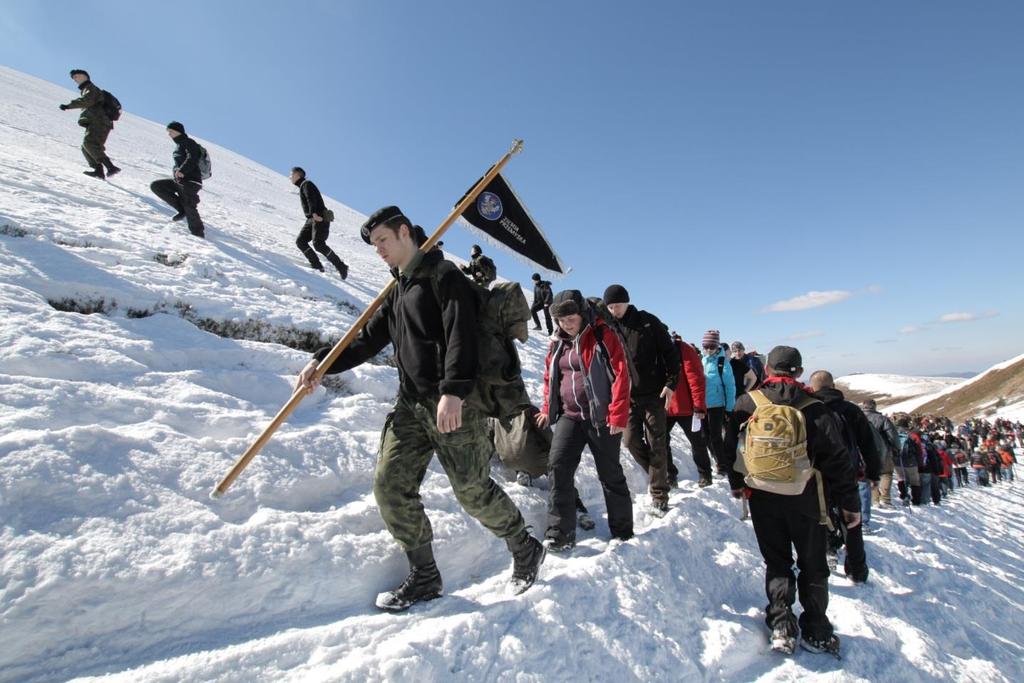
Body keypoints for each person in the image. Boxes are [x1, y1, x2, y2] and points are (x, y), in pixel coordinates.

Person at [296, 205, 544, 610]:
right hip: (411, 407)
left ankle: (524, 547)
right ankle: (426, 576)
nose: (379, 250)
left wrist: (454, 390)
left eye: (383, 241)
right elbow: (366, 342)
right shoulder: (397, 291)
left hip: (453, 404)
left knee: (472, 491)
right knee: (389, 485)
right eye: (374, 244)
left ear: (405, 232)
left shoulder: (444, 279)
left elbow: (461, 334)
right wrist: (323, 361)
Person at [724, 346, 860, 657]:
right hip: (806, 496)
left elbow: (729, 447)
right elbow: (837, 461)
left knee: (777, 561)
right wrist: (849, 504)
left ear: (767, 370)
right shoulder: (814, 406)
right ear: (798, 372)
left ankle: (781, 624)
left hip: (761, 494)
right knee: (813, 564)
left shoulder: (749, 403)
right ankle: (816, 630)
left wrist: (737, 484)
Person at [536, 290, 634, 550]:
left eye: (570, 318)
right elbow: (551, 377)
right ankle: (559, 533)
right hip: (570, 416)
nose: (566, 324)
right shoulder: (557, 342)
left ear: (581, 313)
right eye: (560, 320)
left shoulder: (602, 335)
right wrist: (548, 409)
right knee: (558, 468)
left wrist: (618, 414)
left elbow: (622, 376)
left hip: (600, 417)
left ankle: (623, 531)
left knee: (610, 474)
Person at [603, 285, 679, 514]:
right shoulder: (609, 327)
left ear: (626, 302)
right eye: (610, 306)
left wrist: (671, 383)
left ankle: (659, 494)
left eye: (616, 305)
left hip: (654, 394)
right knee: (630, 441)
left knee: (657, 443)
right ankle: (661, 476)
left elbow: (670, 352)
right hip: (627, 398)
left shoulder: (647, 321)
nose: (613, 310)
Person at [809, 371, 880, 582]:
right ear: (832, 385)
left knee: (821, 514)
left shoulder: (809, 409)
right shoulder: (851, 410)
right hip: (847, 471)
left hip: (817, 472)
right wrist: (873, 472)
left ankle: (827, 551)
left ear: (813, 388)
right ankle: (857, 569)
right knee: (852, 520)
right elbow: (868, 444)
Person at [665, 332, 711, 487]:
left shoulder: (683, 349)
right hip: (664, 407)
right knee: (661, 443)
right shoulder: (653, 350)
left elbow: (696, 379)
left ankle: (705, 474)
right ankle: (670, 476)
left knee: (697, 442)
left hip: (687, 407)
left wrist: (699, 405)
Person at [59, 69, 120, 179]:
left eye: (77, 76)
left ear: (85, 76)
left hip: (100, 121)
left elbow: (87, 101)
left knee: (89, 143)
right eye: (74, 78)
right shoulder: (86, 89)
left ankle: (111, 167)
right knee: (85, 146)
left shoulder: (91, 88)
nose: (75, 79)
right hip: (97, 122)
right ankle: (98, 170)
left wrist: (68, 106)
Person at [290, 167, 348, 279]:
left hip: (318, 217)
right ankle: (317, 265)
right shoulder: (303, 186)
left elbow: (311, 198)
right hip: (312, 219)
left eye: (291, 175)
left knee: (319, 244)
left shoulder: (307, 184)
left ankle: (341, 266)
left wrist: (315, 214)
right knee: (301, 241)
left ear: (297, 175)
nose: (289, 177)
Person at [149, 122, 205, 238]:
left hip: (191, 180)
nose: (169, 134)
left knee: (189, 203)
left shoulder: (189, 142)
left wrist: (182, 171)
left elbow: (193, 157)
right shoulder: (179, 145)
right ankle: (181, 210)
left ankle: (198, 233)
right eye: (169, 132)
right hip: (180, 180)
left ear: (179, 131)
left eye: (171, 132)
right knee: (157, 186)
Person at [701, 330, 735, 474]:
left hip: (717, 405)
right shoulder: (701, 360)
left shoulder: (723, 363)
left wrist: (729, 408)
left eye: (712, 347)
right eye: (706, 347)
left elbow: (730, 387)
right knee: (705, 436)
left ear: (717, 346)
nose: (709, 350)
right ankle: (718, 459)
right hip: (702, 405)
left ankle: (722, 466)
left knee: (715, 436)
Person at [862, 399, 900, 507]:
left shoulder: (857, 417)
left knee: (869, 474)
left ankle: (874, 499)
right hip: (883, 450)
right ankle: (885, 499)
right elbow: (893, 436)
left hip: (863, 451)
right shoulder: (882, 419)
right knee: (886, 473)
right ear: (874, 406)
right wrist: (897, 447)